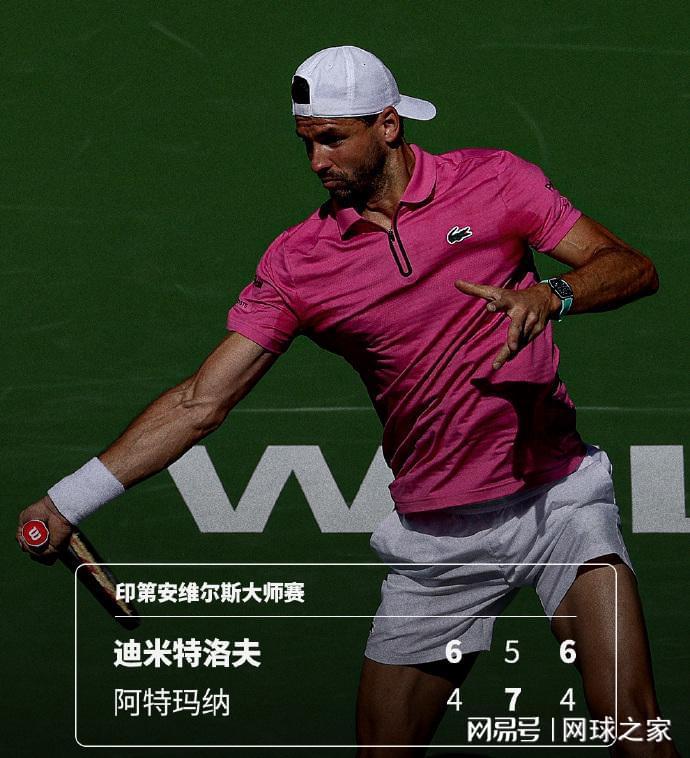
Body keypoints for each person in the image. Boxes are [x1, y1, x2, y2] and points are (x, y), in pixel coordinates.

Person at [17, 46, 678, 757]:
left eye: (332, 139)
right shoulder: (300, 264)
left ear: (388, 125)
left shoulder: (494, 181)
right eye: (306, 142)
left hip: (558, 502)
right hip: (437, 536)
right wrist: (68, 500)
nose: (316, 162)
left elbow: (631, 267)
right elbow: (199, 403)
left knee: (634, 726)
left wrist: (552, 295)